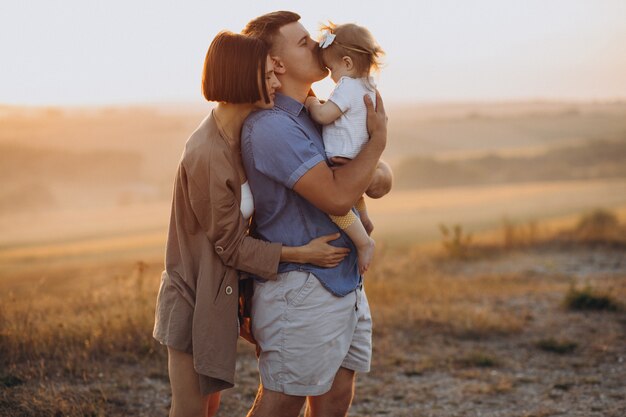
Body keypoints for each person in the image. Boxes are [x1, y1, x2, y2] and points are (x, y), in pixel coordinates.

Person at [152, 31, 350, 417]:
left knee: (209, 407)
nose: (276, 82)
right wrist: (302, 254)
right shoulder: (208, 152)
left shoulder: (237, 137)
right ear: (242, 78)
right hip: (195, 298)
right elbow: (229, 244)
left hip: (219, 296)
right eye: (267, 75)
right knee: (191, 411)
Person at [241, 11, 392, 417]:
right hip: (302, 290)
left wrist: (377, 174)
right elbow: (338, 196)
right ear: (277, 63)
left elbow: (369, 180)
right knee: (282, 405)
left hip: (344, 281)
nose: (319, 47)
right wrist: (378, 143)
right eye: (305, 42)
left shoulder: (317, 116)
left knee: (337, 398)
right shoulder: (273, 127)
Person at [305, 22, 385, 274]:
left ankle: (363, 241)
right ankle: (364, 218)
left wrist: (311, 103)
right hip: (358, 156)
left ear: (348, 63)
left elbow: (325, 116)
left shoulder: (347, 87)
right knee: (354, 193)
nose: (331, 76)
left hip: (342, 156)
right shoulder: (369, 87)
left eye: (332, 68)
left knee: (333, 205)